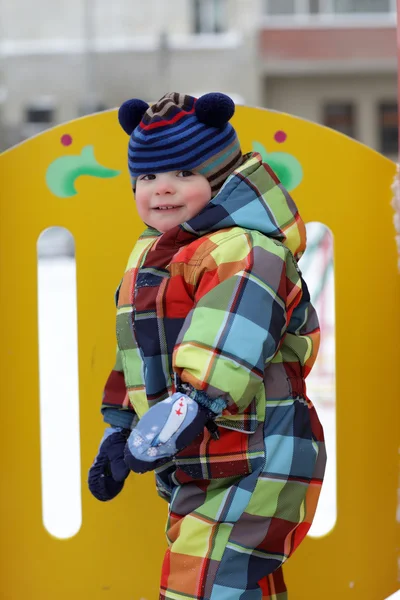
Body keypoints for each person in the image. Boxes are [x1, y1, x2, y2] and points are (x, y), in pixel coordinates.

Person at [88, 91, 326, 600]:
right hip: (202, 448)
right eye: (148, 177)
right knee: (225, 579)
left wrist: (183, 409)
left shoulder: (244, 250)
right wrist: (122, 427)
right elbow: (137, 351)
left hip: (260, 446)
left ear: (220, 180)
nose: (162, 189)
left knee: (204, 582)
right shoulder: (155, 258)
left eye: (183, 174)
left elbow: (227, 344)